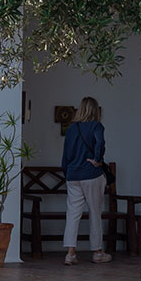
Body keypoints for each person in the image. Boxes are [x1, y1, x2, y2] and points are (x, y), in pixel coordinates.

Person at [61, 96, 111, 265]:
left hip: (73, 175)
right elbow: (100, 143)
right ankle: (97, 252)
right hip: (91, 174)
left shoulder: (71, 129)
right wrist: (97, 159)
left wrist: (67, 172)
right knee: (95, 213)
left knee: (73, 214)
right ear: (95, 110)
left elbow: (66, 154)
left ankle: (70, 254)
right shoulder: (97, 126)